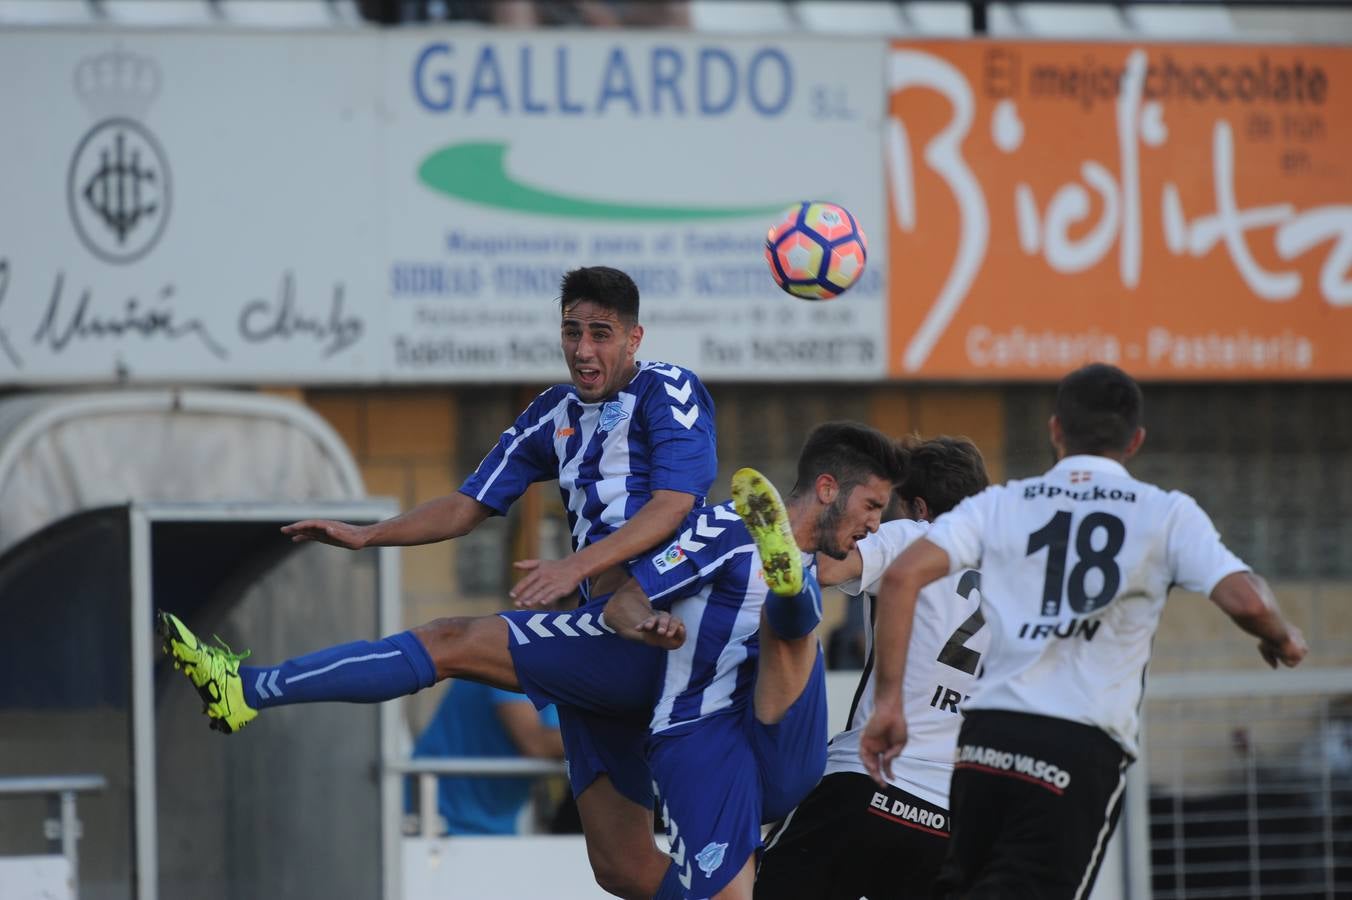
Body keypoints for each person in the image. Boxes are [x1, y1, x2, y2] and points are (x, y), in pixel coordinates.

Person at [160, 265, 717, 900]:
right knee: (620, 867)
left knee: (448, 638)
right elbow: (467, 504)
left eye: (601, 333)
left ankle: (248, 687)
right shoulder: (551, 413)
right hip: (601, 637)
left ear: (634, 338)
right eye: (572, 331)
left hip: (667, 625)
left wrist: (574, 566)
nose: (584, 350)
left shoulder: (668, 389)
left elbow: (674, 504)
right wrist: (369, 534)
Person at [860, 363, 1309, 900]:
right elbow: (1248, 600)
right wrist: (1281, 638)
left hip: (986, 738)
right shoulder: (1164, 513)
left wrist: (888, 704)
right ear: (1135, 441)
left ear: (1056, 430)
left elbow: (903, 576)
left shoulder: (1000, 504)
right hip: (1078, 745)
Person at [602, 421, 908, 899]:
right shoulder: (727, 528)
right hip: (700, 731)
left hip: (781, 739)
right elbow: (621, 604)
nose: (874, 523)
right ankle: (788, 595)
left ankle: (789, 593)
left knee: (795, 628)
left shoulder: (833, 557)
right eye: (870, 506)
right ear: (827, 489)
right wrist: (649, 624)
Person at [755, 436, 991, 900]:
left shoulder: (918, 536)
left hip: (868, 786)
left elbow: (821, 568)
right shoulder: (1015, 576)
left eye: (889, 506)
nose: (880, 520)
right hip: (953, 823)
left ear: (919, 507)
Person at [408, 680, 562, 835]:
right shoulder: (516, 658)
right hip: (440, 819)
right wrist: (585, 740)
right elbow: (535, 743)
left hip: (491, 824)